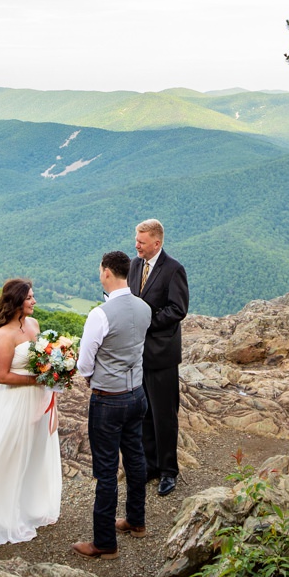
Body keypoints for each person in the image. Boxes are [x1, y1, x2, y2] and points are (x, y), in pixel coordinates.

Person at [0, 278, 62, 550]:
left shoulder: (34, 325)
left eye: (33, 297)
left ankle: (26, 508)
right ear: (17, 301)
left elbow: (43, 359)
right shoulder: (4, 335)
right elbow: (2, 376)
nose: (34, 301)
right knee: (9, 454)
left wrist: (55, 370)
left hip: (37, 400)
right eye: (29, 297)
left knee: (33, 453)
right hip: (14, 402)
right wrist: (35, 381)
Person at [71, 250, 150, 558]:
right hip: (137, 395)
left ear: (106, 273)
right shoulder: (144, 308)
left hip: (108, 399)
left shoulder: (99, 315)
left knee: (106, 472)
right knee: (135, 459)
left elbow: (84, 363)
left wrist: (94, 378)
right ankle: (136, 520)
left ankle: (104, 542)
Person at [131, 218, 187, 495]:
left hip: (162, 354)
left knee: (164, 414)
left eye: (141, 242)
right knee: (144, 413)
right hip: (138, 353)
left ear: (157, 242)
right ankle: (149, 466)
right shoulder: (134, 265)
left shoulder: (174, 269)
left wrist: (145, 321)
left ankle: (168, 471)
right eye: (136, 240)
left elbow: (178, 309)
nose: (137, 245)